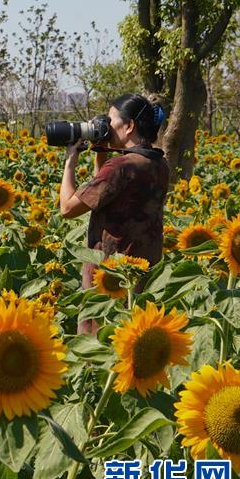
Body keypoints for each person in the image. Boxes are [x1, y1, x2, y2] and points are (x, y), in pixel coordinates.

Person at [58, 94, 170, 335]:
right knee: (131, 338)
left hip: (110, 275)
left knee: (100, 340)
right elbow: (107, 192)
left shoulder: (121, 167)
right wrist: (102, 151)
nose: (106, 128)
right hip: (142, 269)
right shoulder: (160, 164)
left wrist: (70, 162)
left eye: (110, 122)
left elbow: (67, 209)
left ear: (129, 126)